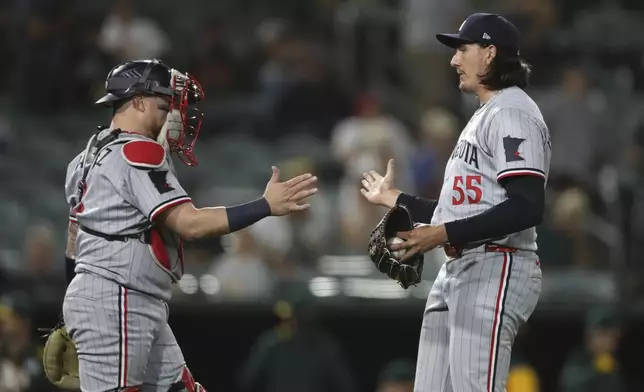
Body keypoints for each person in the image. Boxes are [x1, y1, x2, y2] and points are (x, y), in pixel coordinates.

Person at [61, 59, 318, 392]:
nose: (173, 116)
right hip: (116, 299)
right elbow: (190, 224)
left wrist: (71, 309)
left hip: (122, 298)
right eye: (164, 105)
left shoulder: (84, 159)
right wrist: (265, 206)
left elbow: (73, 243)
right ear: (137, 101)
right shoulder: (136, 152)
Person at [360, 13, 551, 392]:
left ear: (490, 53)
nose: (454, 60)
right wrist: (395, 199)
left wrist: (440, 234)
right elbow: (460, 211)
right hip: (461, 266)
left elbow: (528, 205)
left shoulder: (513, 112)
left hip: (497, 264)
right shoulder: (485, 114)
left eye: (463, 49)